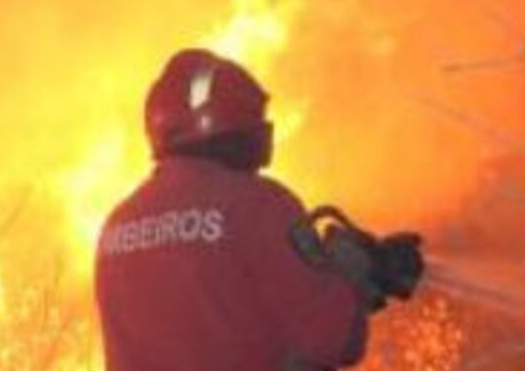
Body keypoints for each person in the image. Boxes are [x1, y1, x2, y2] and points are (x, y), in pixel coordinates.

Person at [95, 49, 378, 371]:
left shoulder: (116, 226)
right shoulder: (259, 204)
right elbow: (330, 339)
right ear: (235, 122)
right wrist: (351, 273)